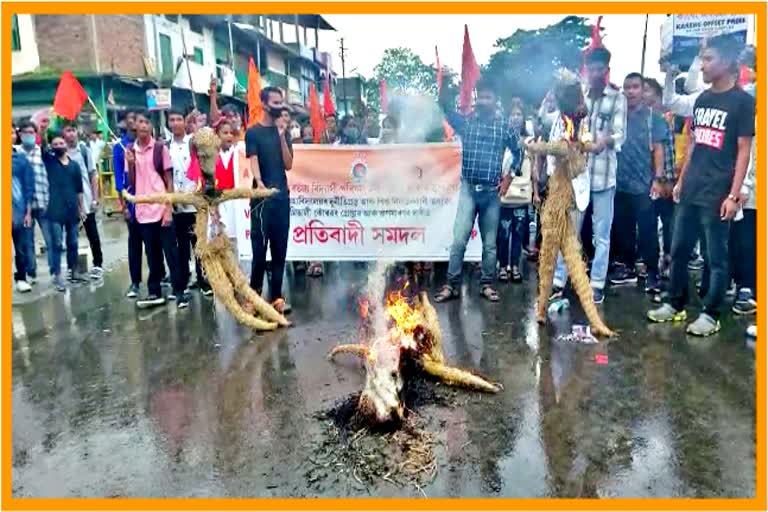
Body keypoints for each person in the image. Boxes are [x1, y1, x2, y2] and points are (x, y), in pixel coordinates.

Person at [648, 36, 755, 336]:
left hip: (718, 191)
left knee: (715, 257)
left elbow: (744, 149)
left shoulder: (743, 102)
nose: (703, 66)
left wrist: (734, 195)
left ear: (726, 62)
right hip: (692, 187)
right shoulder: (703, 99)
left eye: (708, 59)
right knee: (678, 249)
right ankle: (675, 303)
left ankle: (711, 313)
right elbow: (694, 141)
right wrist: (682, 179)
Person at [550, 47, 626, 305]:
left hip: (604, 179)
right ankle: (559, 281)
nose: (594, 74)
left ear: (607, 70)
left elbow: (619, 134)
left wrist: (604, 141)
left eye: (599, 70)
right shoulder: (577, 95)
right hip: (578, 178)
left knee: (601, 235)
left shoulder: (617, 98)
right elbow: (561, 124)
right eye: (590, 69)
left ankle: (596, 285)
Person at [434, 77, 520, 303]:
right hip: (468, 191)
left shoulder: (505, 127)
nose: (483, 100)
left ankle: (487, 285)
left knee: (490, 244)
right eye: (480, 96)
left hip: (492, 194)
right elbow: (445, 110)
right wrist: (445, 92)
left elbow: (519, 153)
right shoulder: (466, 122)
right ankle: (451, 285)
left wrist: (509, 178)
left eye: (488, 96)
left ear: (495, 99)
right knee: (459, 241)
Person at [609, 73, 669, 294]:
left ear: (643, 90)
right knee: (623, 229)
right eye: (627, 87)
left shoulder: (654, 118)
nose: (631, 91)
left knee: (648, 231)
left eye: (636, 87)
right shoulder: (618, 116)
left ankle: (652, 273)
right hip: (620, 183)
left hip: (645, 184)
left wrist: (658, 179)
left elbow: (659, 150)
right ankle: (627, 268)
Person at [126, 109, 188, 309]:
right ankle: (154, 292)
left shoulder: (160, 149)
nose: (143, 126)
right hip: (143, 211)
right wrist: (130, 164)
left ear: (151, 127)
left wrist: (168, 208)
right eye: (140, 122)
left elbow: (168, 181)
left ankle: (180, 293)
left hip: (161, 208)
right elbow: (132, 183)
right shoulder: (131, 150)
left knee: (171, 253)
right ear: (135, 126)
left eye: (146, 122)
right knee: (151, 255)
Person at [245, 86, 294, 315]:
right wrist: (259, 182)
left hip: (282, 199)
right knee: (258, 251)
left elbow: (288, 164)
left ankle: (276, 297)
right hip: (261, 200)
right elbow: (253, 160)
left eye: (281, 102)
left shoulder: (283, 131)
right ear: (264, 104)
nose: (280, 106)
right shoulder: (252, 132)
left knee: (279, 251)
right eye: (275, 103)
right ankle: (253, 296)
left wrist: (282, 135)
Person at [168, 108, 211, 297]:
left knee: (199, 245)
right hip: (177, 204)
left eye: (179, 119)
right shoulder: (165, 147)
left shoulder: (192, 143)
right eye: (172, 119)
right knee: (181, 247)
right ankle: (183, 282)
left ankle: (203, 281)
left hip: (195, 202)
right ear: (168, 123)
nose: (176, 123)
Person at [643, 77, 677, 279]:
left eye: (646, 90)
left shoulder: (663, 118)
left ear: (656, 93)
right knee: (649, 224)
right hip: (645, 181)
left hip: (664, 181)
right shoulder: (643, 118)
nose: (642, 94)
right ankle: (652, 263)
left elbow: (669, 153)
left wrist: (667, 180)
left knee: (668, 223)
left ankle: (669, 259)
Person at [41, 131, 84, 292]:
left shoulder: (74, 166)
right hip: (55, 210)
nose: (59, 146)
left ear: (66, 144)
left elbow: (79, 189)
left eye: (61, 143)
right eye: (55, 144)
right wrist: (43, 130)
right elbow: (42, 148)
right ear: (52, 147)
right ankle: (57, 274)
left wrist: (81, 209)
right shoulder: (50, 163)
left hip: (72, 209)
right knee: (57, 243)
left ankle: (74, 271)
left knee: (73, 242)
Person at [62, 121, 103, 281]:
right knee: (70, 236)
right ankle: (72, 267)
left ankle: (98, 264)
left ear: (77, 132)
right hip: (67, 202)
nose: (71, 134)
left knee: (92, 233)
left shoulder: (84, 151)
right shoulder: (59, 152)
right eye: (68, 131)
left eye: (73, 130)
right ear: (63, 134)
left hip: (86, 200)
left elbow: (93, 175)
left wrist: (95, 198)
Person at [497, 103, 531, 283]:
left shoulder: (530, 141)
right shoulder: (501, 138)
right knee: (503, 234)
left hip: (522, 196)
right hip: (504, 195)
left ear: (523, 118)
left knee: (518, 234)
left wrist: (536, 193)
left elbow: (534, 168)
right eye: (513, 114)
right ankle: (502, 267)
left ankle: (515, 266)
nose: (516, 117)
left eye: (519, 114)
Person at [731, 83, 757, 316]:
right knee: (745, 239)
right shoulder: (752, 114)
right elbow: (748, 152)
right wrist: (745, 185)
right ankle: (745, 287)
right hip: (751, 192)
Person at [17, 120, 52, 284]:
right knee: (27, 243)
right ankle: (31, 273)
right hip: (25, 207)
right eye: (25, 133)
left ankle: (55, 271)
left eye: (32, 133)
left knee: (51, 240)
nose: (29, 136)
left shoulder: (43, 152)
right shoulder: (16, 154)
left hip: (44, 202)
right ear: (20, 135)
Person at [11, 124, 34, 293]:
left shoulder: (21, 159)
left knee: (21, 247)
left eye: (11, 132)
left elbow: (28, 187)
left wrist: (28, 212)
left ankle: (21, 278)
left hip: (18, 211)